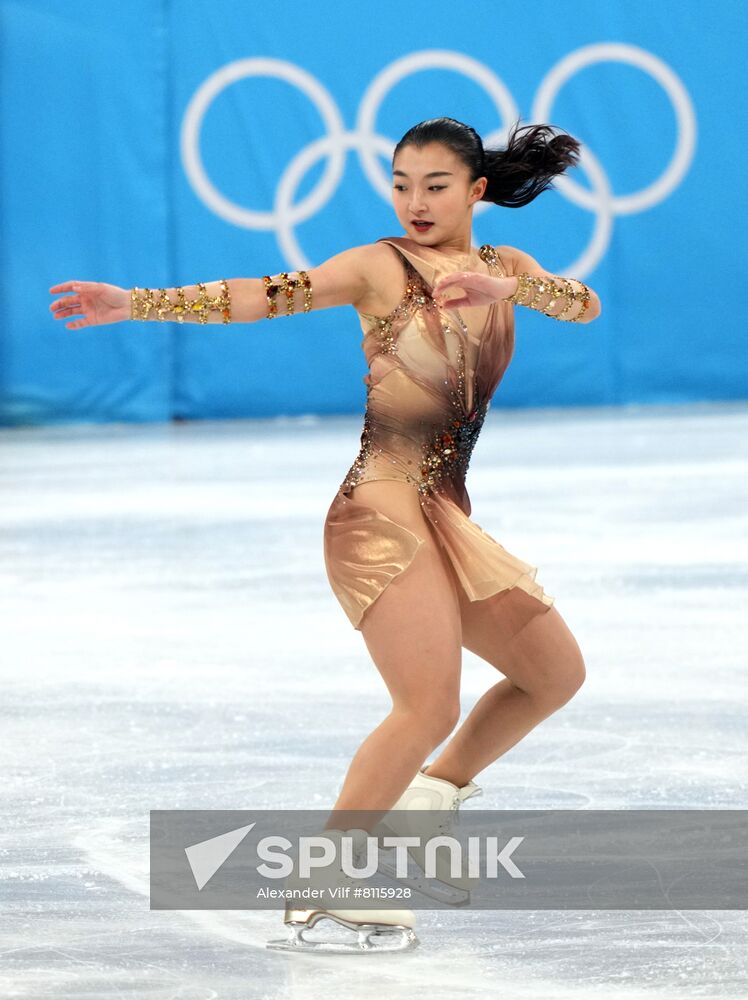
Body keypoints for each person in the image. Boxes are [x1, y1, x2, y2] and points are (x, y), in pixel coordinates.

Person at [49, 116, 601, 954]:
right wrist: (135, 304)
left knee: (552, 673)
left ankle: (429, 800)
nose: (415, 201)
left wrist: (512, 291)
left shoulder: (505, 268)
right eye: (401, 182)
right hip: (378, 510)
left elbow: (586, 303)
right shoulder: (379, 266)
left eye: (436, 185)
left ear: (477, 191)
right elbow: (262, 294)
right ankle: (327, 886)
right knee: (427, 703)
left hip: (444, 513)